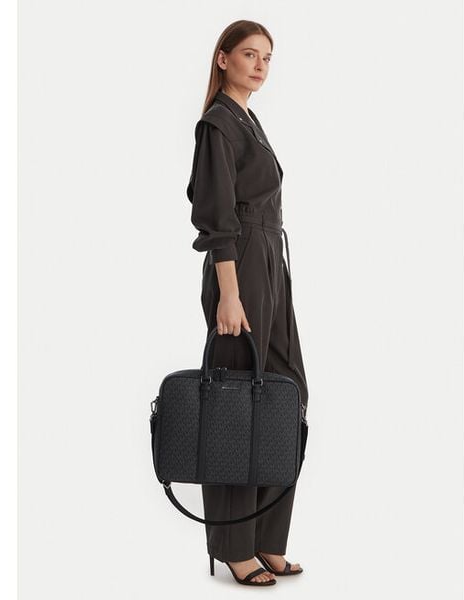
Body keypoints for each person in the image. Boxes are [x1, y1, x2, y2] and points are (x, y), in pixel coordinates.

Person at [186, 20, 309, 587]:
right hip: (239, 267)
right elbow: (216, 216)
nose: (260, 66)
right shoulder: (217, 124)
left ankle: (266, 537)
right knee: (237, 404)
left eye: (267, 57)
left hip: (269, 263)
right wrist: (230, 295)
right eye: (249, 54)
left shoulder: (248, 119)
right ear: (222, 59)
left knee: (286, 393)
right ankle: (235, 545)